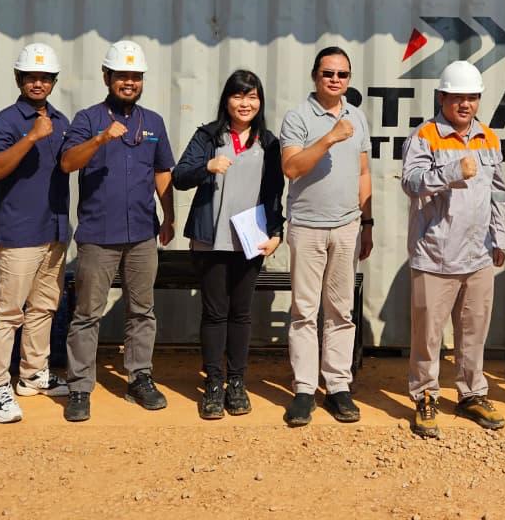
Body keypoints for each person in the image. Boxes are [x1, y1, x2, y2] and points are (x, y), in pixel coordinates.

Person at [59, 40, 175, 423]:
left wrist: (169, 216)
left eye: (135, 76)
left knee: (142, 311)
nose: (129, 82)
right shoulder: (88, 119)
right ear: (107, 77)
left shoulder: (153, 122)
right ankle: (80, 387)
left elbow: (162, 171)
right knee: (87, 313)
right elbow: (67, 163)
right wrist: (100, 139)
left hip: (142, 233)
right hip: (98, 235)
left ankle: (139, 377)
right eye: (122, 75)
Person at [401, 60, 505, 439]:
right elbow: (411, 182)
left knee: (473, 332)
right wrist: (451, 172)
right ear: (442, 98)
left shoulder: (488, 138)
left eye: (472, 97)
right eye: (458, 97)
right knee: (428, 336)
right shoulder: (425, 136)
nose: (465, 104)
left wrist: (500, 237)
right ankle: (425, 395)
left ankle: (472, 394)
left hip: (478, 256)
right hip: (434, 256)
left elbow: (498, 191)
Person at [171, 69, 284, 419]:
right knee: (215, 313)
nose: (245, 103)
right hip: (211, 239)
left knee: (241, 313)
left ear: (260, 101)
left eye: (252, 96)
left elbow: (275, 192)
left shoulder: (269, 142)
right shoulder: (208, 136)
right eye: (238, 96)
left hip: (250, 240)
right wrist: (207, 166)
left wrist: (277, 233)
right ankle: (214, 383)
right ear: (226, 100)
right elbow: (179, 176)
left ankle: (237, 382)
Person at [0, 42, 72, 423]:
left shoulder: (62, 121)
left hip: (54, 229)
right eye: (31, 77)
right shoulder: (3, 122)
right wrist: (31, 137)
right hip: (18, 232)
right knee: (8, 312)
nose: (38, 83)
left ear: (53, 82)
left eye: (45, 78)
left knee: (44, 307)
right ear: (19, 79)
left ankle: (33, 374)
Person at [278, 46, 373, 427]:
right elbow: (291, 168)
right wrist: (330, 138)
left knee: (340, 310)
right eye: (328, 73)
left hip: (348, 226)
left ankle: (337, 386)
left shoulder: (357, 117)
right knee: (304, 311)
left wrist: (368, 223)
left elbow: (363, 172)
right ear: (315, 76)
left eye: (342, 74)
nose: (335, 80)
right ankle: (304, 389)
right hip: (307, 226)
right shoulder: (298, 117)